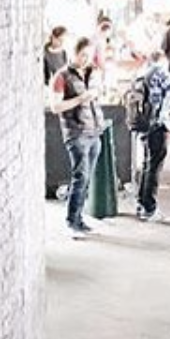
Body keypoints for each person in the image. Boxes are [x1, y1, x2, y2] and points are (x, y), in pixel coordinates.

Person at [50, 37, 105, 237]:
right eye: (83, 55)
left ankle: (79, 218)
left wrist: (96, 92)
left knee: (87, 177)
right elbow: (55, 106)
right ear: (75, 53)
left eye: (89, 56)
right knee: (80, 177)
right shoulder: (62, 76)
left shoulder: (92, 73)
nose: (86, 59)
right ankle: (71, 221)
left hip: (94, 130)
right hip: (76, 132)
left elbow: (97, 94)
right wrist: (81, 98)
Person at [134, 51, 170, 221]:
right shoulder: (159, 72)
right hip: (158, 124)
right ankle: (149, 207)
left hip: (144, 124)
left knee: (148, 164)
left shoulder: (142, 73)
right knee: (155, 165)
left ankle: (141, 202)